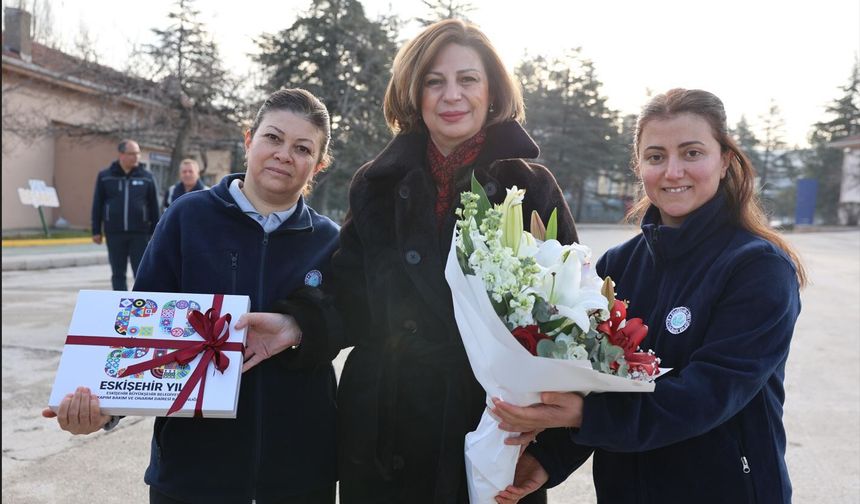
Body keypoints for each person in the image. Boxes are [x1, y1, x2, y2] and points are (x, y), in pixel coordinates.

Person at [241, 19, 578, 503]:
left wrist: (551, 447)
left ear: (492, 90)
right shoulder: (376, 184)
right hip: (385, 433)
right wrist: (298, 325)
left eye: (468, 79)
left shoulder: (532, 188)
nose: (452, 95)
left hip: (491, 429)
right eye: (434, 82)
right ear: (414, 93)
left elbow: (569, 322)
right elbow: (351, 294)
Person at [490, 88, 806, 504]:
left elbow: (710, 394)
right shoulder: (616, 267)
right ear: (638, 166)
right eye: (656, 156)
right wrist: (547, 458)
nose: (673, 171)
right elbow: (592, 383)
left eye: (692, 153)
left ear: (725, 159)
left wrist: (588, 416)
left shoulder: (758, 267)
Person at [43, 88, 340, 504]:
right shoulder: (188, 217)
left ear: (319, 164)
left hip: (298, 477)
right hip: (191, 475)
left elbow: (348, 322)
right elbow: (139, 329)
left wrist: (299, 326)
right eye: (273, 137)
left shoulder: (331, 242)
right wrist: (102, 409)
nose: (283, 154)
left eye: (302, 147)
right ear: (249, 139)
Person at [91, 139, 160, 291]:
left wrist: (156, 233)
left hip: (140, 234)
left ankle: (141, 305)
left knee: (142, 273)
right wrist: (96, 230)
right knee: (118, 273)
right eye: (131, 154)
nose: (136, 157)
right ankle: (119, 307)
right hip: (114, 233)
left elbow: (154, 207)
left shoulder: (147, 177)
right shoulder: (105, 176)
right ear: (121, 155)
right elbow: (98, 204)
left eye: (138, 153)